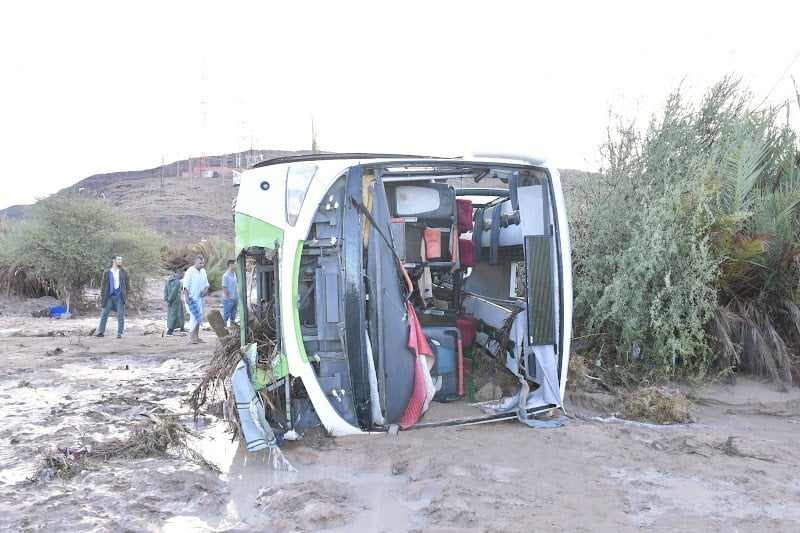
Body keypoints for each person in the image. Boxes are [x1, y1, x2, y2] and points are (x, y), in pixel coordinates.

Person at [96, 253, 130, 338]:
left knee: (121, 315)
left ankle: (120, 333)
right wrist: (103, 296)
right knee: (104, 314)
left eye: (121, 259)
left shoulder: (123, 271)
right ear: (114, 260)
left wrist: (126, 295)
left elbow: (127, 284)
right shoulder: (107, 272)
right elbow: (103, 285)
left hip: (120, 296)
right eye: (119, 259)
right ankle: (101, 332)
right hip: (109, 296)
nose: (120, 261)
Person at [183, 254, 209, 344]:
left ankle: (196, 337)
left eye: (202, 263)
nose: (201, 265)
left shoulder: (203, 271)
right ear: (195, 262)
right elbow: (185, 286)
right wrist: (187, 298)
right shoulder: (190, 271)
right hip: (191, 299)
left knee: (198, 317)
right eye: (200, 263)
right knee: (194, 317)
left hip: (200, 299)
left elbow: (206, 285)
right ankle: (191, 338)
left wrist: (205, 291)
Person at [164, 267, 187, 336]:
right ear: (180, 274)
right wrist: (169, 300)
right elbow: (173, 292)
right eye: (183, 274)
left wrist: (166, 298)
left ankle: (182, 328)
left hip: (175, 301)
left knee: (180, 314)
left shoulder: (169, 280)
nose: (183, 276)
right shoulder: (177, 282)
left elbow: (166, 290)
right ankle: (169, 331)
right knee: (173, 315)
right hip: (175, 301)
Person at [221, 259, 238, 327]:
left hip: (234, 299)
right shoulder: (225, 276)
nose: (236, 266)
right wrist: (228, 298)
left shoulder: (234, 275)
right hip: (228, 300)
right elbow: (224, 288)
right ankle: (223, 329)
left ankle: (232, 328)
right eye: (235, 264)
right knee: (226, 316)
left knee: (233, 316)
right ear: (230, 265)